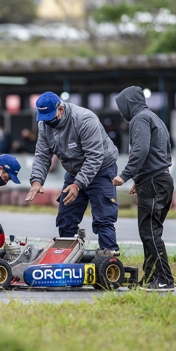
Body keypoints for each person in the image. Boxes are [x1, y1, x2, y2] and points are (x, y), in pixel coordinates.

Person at [25, 91, 120, 252]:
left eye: (50, 118)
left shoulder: (84, 120)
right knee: (65, 219)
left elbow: (95, 157)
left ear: (60, 109)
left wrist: (77, 185)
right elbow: (42, 155)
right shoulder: (44, 125)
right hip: (74, 172)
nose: (47, 122)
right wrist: (36, 181)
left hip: (101, 170)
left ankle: (109, 257)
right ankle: (69, 256)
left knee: (103, 219)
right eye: (44, 118)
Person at [112, 86, 175, 292]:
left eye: (122, 107)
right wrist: (139, 179)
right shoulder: (154, 118)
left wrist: (125, 175)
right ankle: (150, 278)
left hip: (154, 183)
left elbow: (141, 150)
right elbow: (160, 152)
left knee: (149, 233)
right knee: (149, 232)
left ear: (129, 104)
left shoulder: (139, 119)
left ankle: (164, 279)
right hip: (160, 179)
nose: (121, 112)